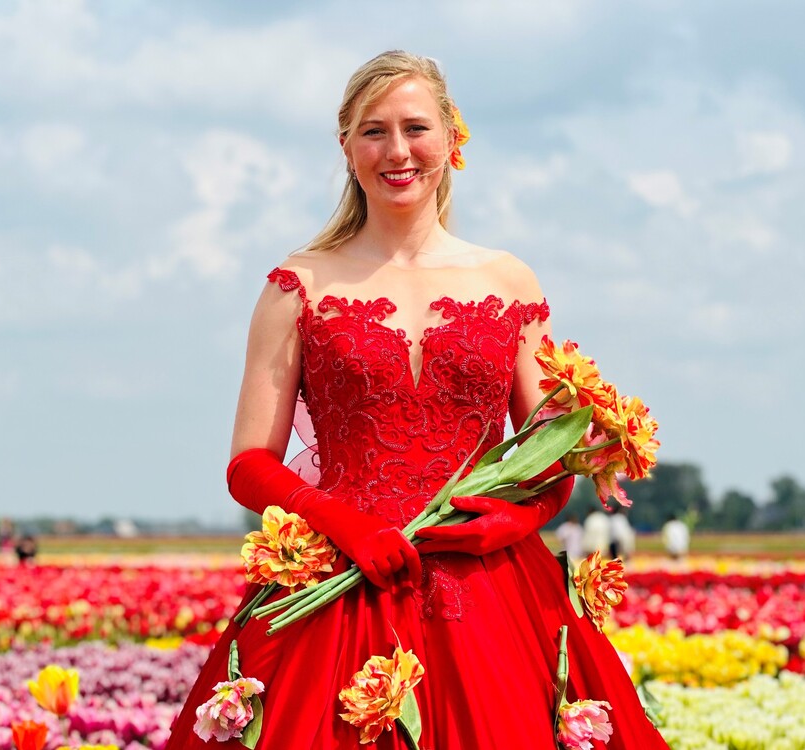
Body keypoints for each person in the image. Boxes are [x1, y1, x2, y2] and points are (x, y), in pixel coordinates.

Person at [168, 51, 668, 749]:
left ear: (452, 140)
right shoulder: (297, 284)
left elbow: (554, 452)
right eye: (374, 131)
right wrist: (344, 524)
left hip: (493, 590)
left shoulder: (508, 279)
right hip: (341, 584)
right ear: (346, 147)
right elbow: (249, 464)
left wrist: (514, 522)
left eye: (415, 128)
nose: (397, 151)